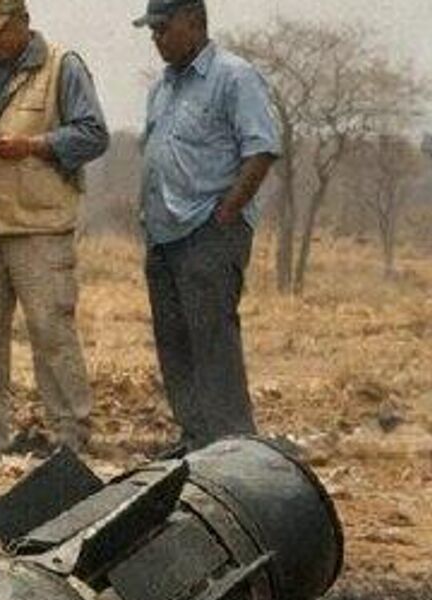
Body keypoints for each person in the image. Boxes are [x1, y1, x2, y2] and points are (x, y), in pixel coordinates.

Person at [0, 0, 107, 454]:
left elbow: (93, 135)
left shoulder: (62, 67)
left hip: (39, 226)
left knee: (51, 332)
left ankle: (70, 432)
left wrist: (35, 145)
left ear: (23, 22)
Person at [136, 0, 279, 448]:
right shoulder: (161, 88)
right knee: (174, 342)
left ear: (195, 22)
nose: (156, 38)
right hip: (163, 234)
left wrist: (227, 213)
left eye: (164, 27)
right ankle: (195, 437)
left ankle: (231, 446)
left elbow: (261, 149)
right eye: (152, 30)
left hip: (209, 230)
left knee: (212, 340)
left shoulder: (234, 76)